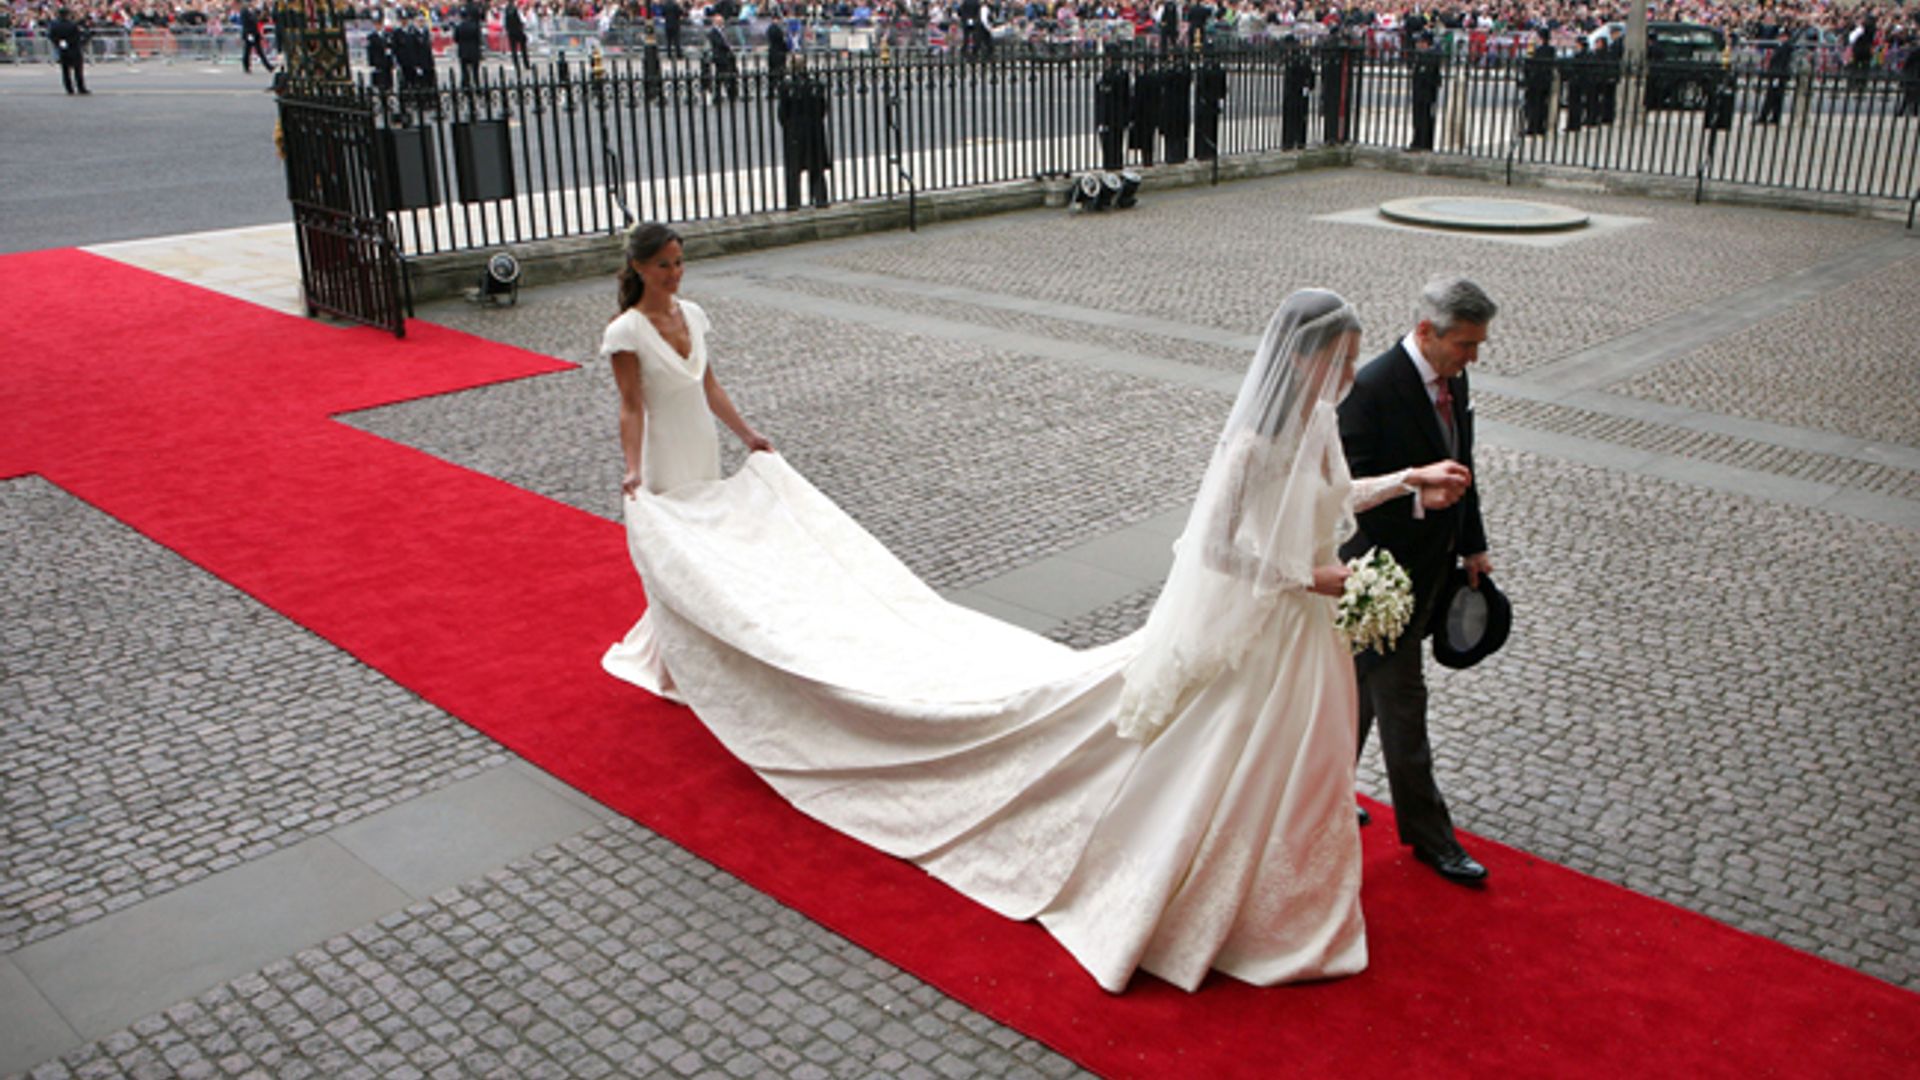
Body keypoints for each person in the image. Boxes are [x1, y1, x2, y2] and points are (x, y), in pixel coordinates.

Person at [604, 287, 1468, 992]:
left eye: (1353, 359)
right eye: (1341, 358)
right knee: (1231, 761)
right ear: (1302, 356)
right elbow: (1218, 548)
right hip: (1272, 624)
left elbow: (1333, 499)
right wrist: (1309, 579)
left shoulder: (1319, 425)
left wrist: (1408, 482)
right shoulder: (1249, 441)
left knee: (1303, 764)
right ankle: (1234, 900)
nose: (1351, 372)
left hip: (1308, 632)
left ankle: (1299, 894)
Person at [1336, 276, 1497, 887]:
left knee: (1355, 700)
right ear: (1427, 332)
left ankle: (1317, 796)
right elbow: (1344, 494)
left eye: (1478, 346)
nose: (1473, 358)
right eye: (1465, 345)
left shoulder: (1455, 377)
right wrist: (1420, 494)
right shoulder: (1371, 389)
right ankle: (1433, 839)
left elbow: (1464, 467)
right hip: (1380, 579)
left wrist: (1473, 543)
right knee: (1404, 708)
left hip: (1433, 569)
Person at [776, 56, 831, 209]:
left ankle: (793, 203)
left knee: (793, 170)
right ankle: (821, 199)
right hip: (815, 131)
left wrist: (789, 126)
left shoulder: (786, 86)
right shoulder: (817, 84)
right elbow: (822, 109)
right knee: (817, 168)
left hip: (794, 132)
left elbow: (782, 113)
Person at [1095, 53, 1132, 170]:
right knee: (1111, 146)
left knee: (1114, 146)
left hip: (1113, 116)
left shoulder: (1115, 74)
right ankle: (1112, 167)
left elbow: (1124, 96)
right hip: (1110, 116)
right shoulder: (1106, 74)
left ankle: (1114, 168)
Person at [1408, 31, 1442, 150]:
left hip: (1426, 93)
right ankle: (1417, 141)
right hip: (1418, 92)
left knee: (1425, 119)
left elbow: (1432, 77)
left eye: (1421, 42)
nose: (1418, 44)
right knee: (1417, 118)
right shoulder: (1420, 56)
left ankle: (1424, 143)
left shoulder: (1431, 56)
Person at [1281, 32, 1313, 150]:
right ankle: (1299, 141)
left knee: (1292, 118)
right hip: (1300, 91)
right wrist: (1308, 87)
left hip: (1293, 91)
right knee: (1299, 118)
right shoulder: (1303, 57)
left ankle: (1289, 142)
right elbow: (1311, 75)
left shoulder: (1293, 58)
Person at [1755, 27, 1793, 125]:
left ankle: (1765, 116)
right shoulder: (1780, 46)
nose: (1780, 38)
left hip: (1779, 74)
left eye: (1783, 36)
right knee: (1775, 96)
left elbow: (1782, 61)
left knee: (1772, 96)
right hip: (1777, 73)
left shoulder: (1786, 46)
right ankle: (1774, 117)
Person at [48, 8, 88, 95]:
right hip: (74, 49)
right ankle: (80, 87)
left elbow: (51, 36)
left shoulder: (54, 25)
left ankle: (69, 89)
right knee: (78, 70)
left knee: (65, 71)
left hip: (63, 50)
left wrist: (59, 43)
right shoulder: (73, 25)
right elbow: (78, 36)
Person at [453, 5, 484, 86]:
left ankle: (466, 86)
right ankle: (477, 85)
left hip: (463, 51)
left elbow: (456, 39)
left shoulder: (459, 27)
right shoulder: (475, 26)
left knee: (464, 71)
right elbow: (479, 39)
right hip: (474, 51)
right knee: (475, 71)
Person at [240, 3, 273, 74]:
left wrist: (265, 16)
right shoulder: (244, 11)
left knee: (260, 51)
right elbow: (247, 21)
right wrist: (257, 17)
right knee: (247, 50)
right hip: (249, 33)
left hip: (255, 33)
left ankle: (269, 66)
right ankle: (246, 66)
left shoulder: (255, 10)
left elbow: (261, 19)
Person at [367, 19, 396, 92]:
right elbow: (370, 50)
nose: (378, 26)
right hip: (378, 62)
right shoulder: (371, 37)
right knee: (380, 81)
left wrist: (392, 61)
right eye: (376, 24)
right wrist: (372, 63)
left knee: (388, 80)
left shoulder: (387, 35)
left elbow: (391, 47)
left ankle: (389, 91)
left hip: (387, 61)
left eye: (379, 24)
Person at [504, 0, 530, 72]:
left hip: (511, 32)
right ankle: (526, 64)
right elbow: (521, 20)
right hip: (518, 31)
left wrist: (508, 29)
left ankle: (516, 65)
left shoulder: (506, 9)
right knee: (523, 48)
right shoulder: (516, 9)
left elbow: (505, 21)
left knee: (513, 50)